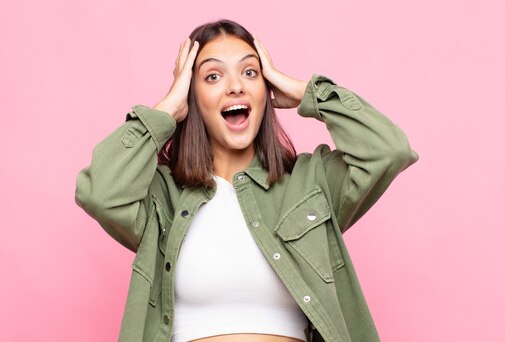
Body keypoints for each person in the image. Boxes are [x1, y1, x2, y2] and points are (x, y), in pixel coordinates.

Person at [75, 19, 418, 342]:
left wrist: (306, 93)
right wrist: (166, 110)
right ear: (192, 98)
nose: (235, 86)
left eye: (250, 72)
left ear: (264, 88)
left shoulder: (311, 184)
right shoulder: (163, 197)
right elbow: (100, 193)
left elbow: (389, 151)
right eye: (212, 77)